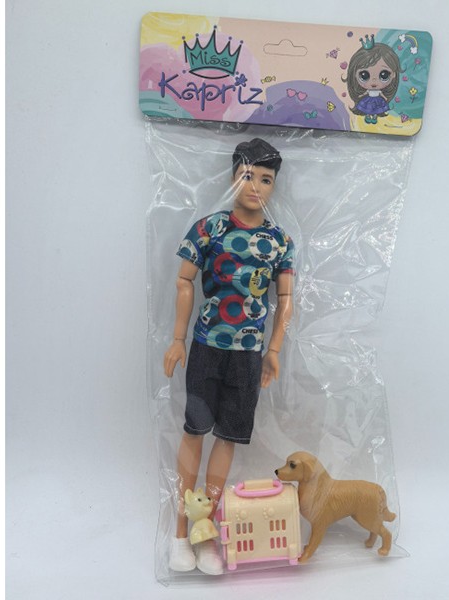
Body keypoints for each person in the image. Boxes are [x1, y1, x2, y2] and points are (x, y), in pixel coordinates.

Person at [163, 138, 294, 575]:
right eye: (247, 175)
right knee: (195, 432)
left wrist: (273, 350)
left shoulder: (279, 241)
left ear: (274, 185)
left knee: (228, 438)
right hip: (206, 347)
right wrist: (178, 339)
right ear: (233, 176)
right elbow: (184, 282)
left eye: (265, 179)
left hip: (248, 356)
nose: (255, 186)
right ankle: (179, 533)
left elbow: (286, 300)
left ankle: (206, 535)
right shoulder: (209, 229)